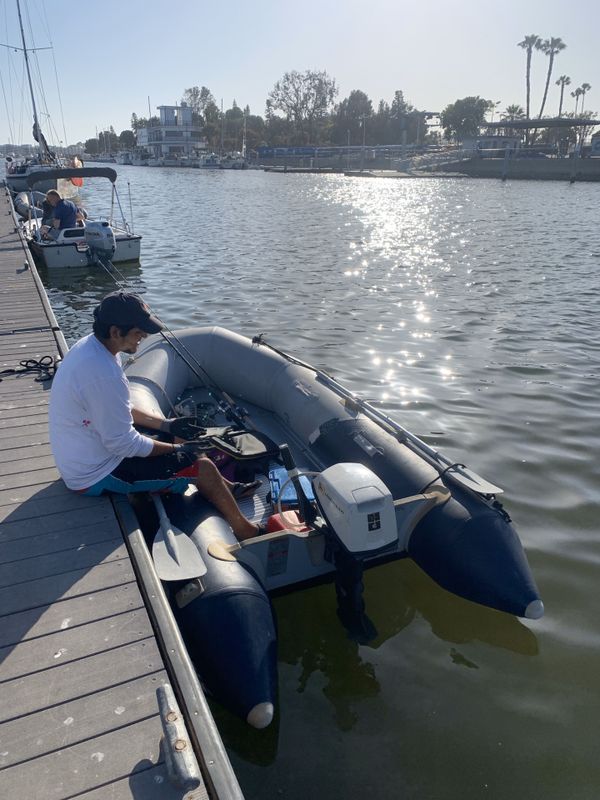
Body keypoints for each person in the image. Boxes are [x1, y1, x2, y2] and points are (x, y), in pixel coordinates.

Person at [48, 290, 262, 540]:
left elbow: (120, 408)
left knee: (183, 437)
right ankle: (245, 529)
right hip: (94, 474)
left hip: (88, 452)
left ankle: (228, 488)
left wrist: (168, 425)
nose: (144, 337)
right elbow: (123, 444)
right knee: (201, 466)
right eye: (139, 332)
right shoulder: (101, 373)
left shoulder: (95, 348)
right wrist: (177, 450)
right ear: (116, 332)